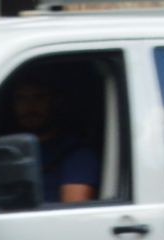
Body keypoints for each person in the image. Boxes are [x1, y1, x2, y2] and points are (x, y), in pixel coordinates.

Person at [8, 75, 98, 204]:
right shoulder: (7, 152)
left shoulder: (76, 154)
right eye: (20, 99)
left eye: (38, 97)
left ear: (56, 101)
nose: (29, 107)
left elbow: (73, 213)